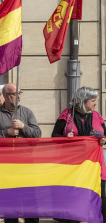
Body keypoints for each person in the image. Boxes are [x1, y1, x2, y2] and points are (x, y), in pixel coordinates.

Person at [0, 83, 41, 223]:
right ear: (6, 96)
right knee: (9, 203)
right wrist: (7, 132)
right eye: (14, 93)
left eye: (19, 93)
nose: (18, 96)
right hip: (6, 166)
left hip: (26, 165)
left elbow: (37, 135)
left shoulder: (27, 112)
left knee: (30, 202)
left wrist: (23, 127)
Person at [52, 86, 106, 223]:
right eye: (93, 100)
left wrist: (103, 139)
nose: (95, 104)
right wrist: (65, 137)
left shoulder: (97, 116)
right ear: (83, 101)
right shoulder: (67, 115)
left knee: (99, 194)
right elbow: (54, 136)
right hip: (73, 165)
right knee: (75, 195)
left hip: (94, 164)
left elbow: (105, 133)